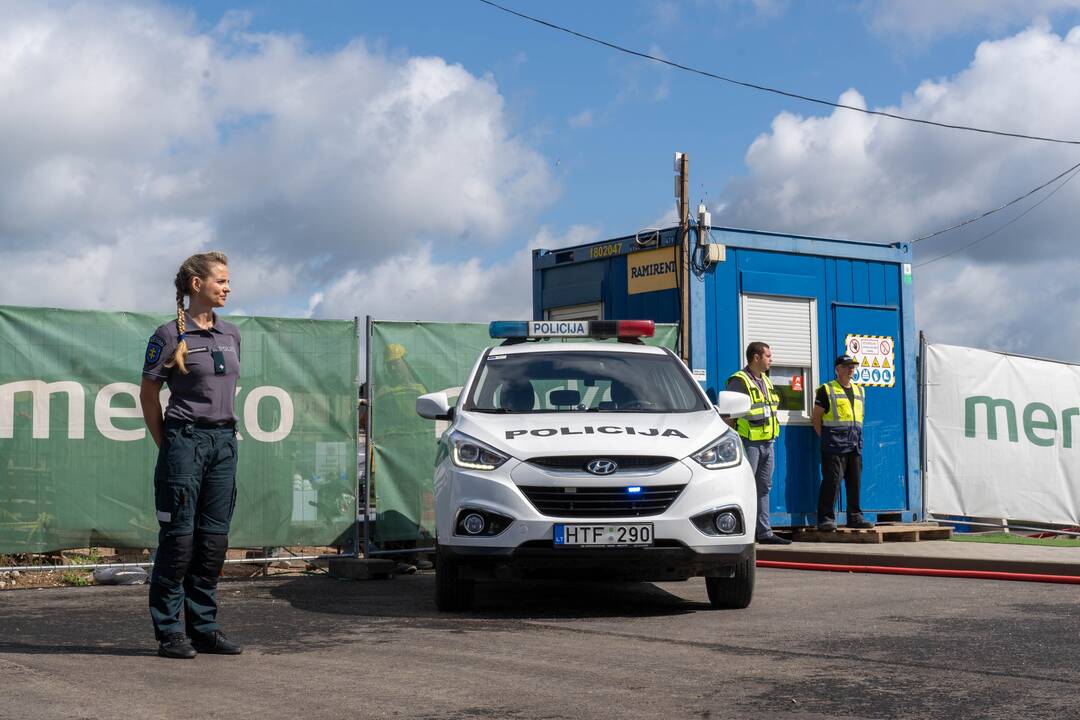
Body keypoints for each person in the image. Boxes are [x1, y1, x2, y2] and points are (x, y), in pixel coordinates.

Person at [140, 251, 243, 659]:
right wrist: (168, 445)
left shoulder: (232, 334)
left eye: (229, 281)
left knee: (213, 543)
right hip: (183, 441)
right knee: (179, 543)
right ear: (197, 285)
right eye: (221, 280)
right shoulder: (167, 336)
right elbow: (149, 395)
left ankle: (204, 629)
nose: (227, 288)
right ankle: (169, 632)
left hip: (224, 444)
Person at [725, 342, 791, 545]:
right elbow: (728, 415)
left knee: (763, 488)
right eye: (768, 356)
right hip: (748, 442)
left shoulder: (766, 381)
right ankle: (739, 532)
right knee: (743, 487)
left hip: (768, 442)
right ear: (756, 357)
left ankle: (764, 532)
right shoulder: (739, 380)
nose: (771, 359)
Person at [812, 355, 874, 532]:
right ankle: (825, 519)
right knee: (832, 482)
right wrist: (824, 438)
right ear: (837, 369)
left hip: (854, 445)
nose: (850, 370)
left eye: (853, 367)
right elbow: (816, 417)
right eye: (846, 367)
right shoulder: (826, 390)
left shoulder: (860, 391)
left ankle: (855, 517)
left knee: (855, 483)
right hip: (834, 446)